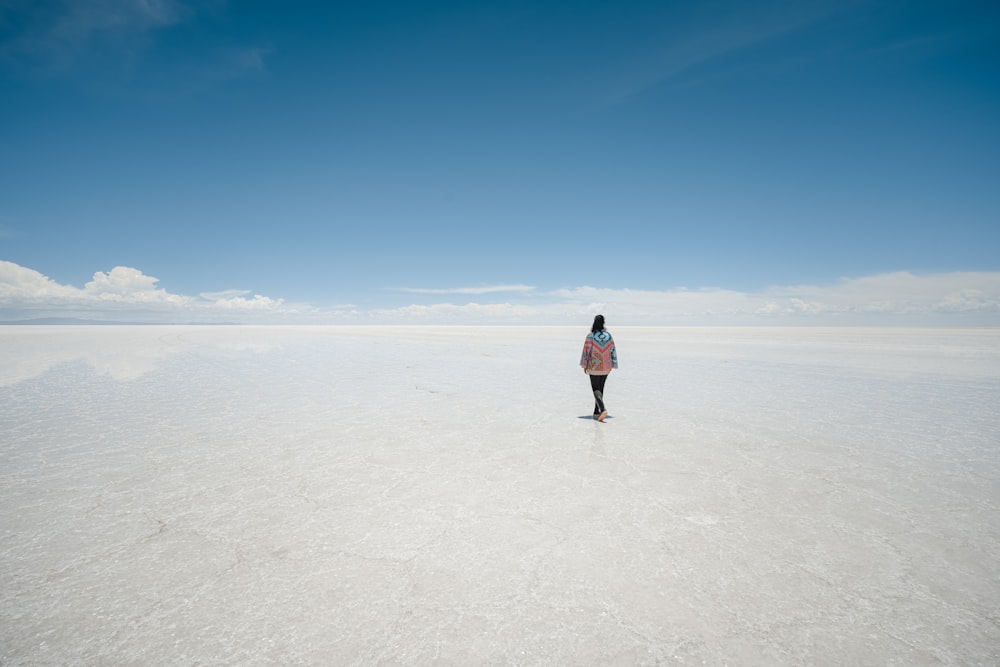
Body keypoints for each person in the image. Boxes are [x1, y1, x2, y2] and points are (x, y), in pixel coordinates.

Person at [580, 314, 618, 421]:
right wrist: (613, 363)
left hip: (594, 365)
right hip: (606, 365)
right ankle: (596, 412)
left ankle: (602, 408)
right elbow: (612, 349)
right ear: (603, 323)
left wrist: (584, 364)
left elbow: (586, 351)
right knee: (601, 388)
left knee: (595, 388)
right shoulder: (608, 336)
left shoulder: (590, 336)